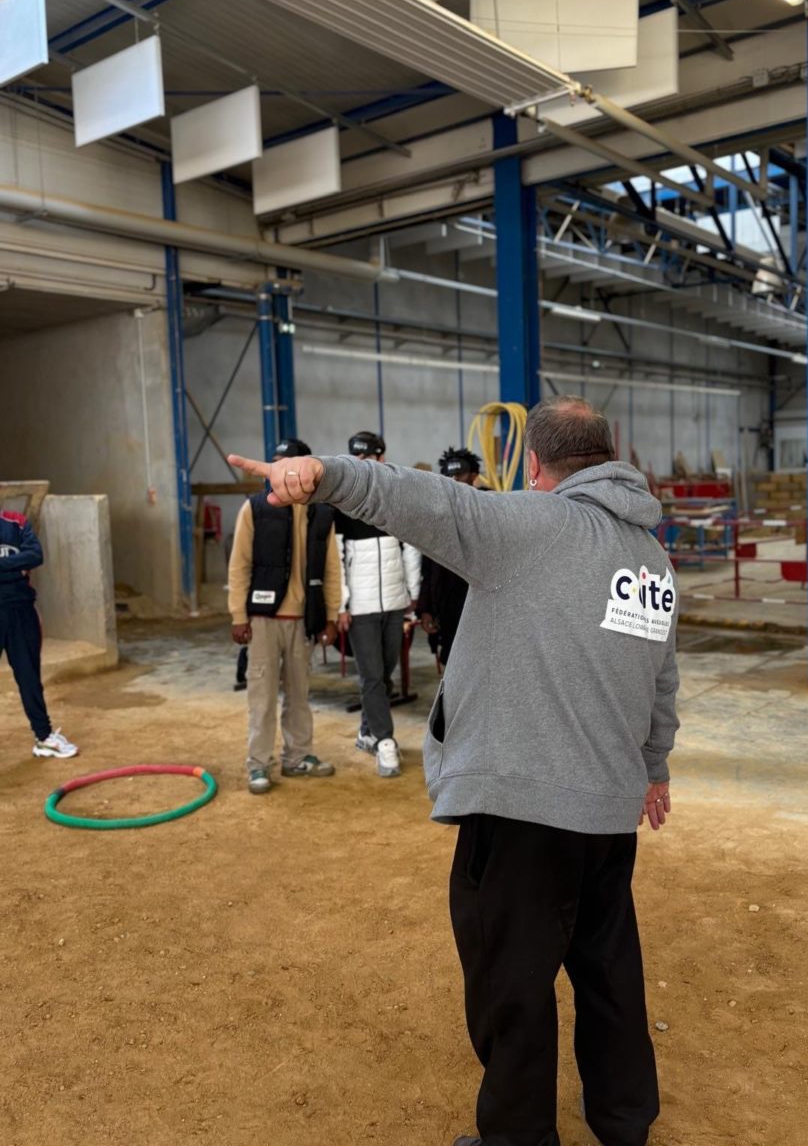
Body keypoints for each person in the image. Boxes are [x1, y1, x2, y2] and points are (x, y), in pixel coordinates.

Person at [228, 395, 679, 1146]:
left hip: (523, 809)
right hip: (608, 811)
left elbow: (414, 496)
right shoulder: (652, 558)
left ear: (535, 465)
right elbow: (662, 679)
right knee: (608, 972)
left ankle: (517, 1137)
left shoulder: (525, 526)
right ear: (608, 456)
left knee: (512, 983)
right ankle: (626, 1120)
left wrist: (324, 471)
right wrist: (654, 767)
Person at [227, 437, 341, 795]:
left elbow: (332, 569)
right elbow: (239, 565)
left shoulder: (321, 513)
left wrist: (332, 616)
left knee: (299, 694)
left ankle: (298, 756)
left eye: (285, 462)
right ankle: (258, 765)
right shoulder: (255, 509)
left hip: (303, 621)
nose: (278, 469)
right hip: (263, 621)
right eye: (274, 462)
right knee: (260, 696)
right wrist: (237, 616)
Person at [333, 430, 421, 779]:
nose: (364, 465)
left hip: (395, 602)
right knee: (371, 676)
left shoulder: (396, 502)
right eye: (357, 459)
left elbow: (412, 548)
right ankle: (385, 741)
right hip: (361, 607)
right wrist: (341, 605)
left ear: (381, 459)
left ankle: (366, 731)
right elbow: (336, 559)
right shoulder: (341, 505)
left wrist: (412, 593)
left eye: (369, 458)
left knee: (384, 672)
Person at [0, 511, 78, 759]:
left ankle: (43, 737)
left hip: (21, 611)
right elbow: (25, 559)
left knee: (29, 676)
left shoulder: (16, 521)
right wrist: (16, 567)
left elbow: (35, 555)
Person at [418, 447, 483, 666]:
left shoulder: (490, 511)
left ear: (474, 476)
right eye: (449, 475)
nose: (454, 480)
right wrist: (425, 609)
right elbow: (427, 566)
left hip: (479, 605)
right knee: (452, 664)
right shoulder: (436, 516)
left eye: (460, 475)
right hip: (447, 606)